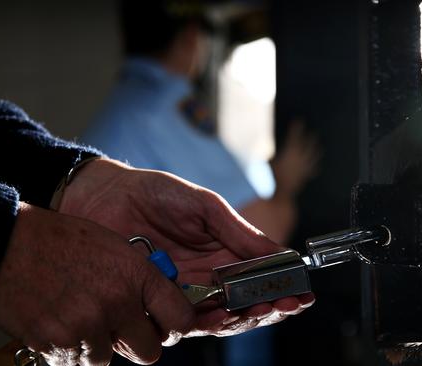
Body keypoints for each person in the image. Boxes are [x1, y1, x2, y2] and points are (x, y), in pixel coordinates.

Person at [0, 32, 314, 366]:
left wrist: (66, 179)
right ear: (192, 37)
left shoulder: (129, 95)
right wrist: (0, 243)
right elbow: (267, 222)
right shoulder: (165, 102)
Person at [82, 1, 318, 365]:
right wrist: (285, 184)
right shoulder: (167, 107)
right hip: (155, 337)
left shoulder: (127, 102)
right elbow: (266, 232)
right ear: (192, 38)